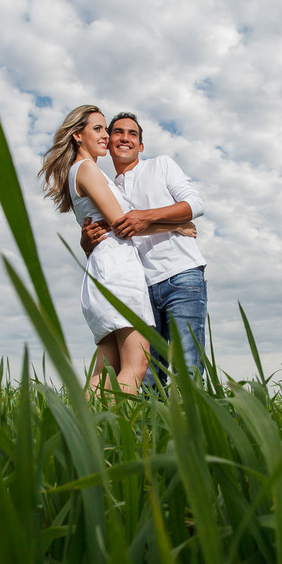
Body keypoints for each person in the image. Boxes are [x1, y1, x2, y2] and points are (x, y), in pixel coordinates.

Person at [39, 105, 196, 398]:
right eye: (98, 129)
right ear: (77, 136)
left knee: (105, 368)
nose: (105, 135)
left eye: (104, 129)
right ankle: (114, 435)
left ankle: (83, 432)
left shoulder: (81, 171)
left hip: (103, 268)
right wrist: (175, 226)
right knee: (138, 364)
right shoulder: (87, 169)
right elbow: (121, 224)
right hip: (117, 269)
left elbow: (109, 225)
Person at [81, 112, 207, 389]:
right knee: (148, 376)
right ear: (109, 141)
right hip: (138, 287)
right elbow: (106, 234)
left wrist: (148, 217)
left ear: (140, 146)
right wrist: (86, 241)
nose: (125, 138)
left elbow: (195, 204)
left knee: (187, 365)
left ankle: (196, 430)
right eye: (118, 132)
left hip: (181, 276)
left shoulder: (161, 165)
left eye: (132, 134)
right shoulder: (106, 186)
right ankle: (154, 432)